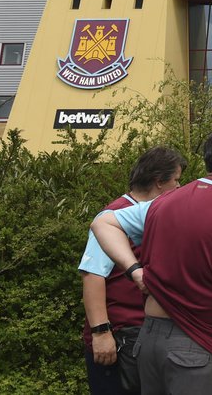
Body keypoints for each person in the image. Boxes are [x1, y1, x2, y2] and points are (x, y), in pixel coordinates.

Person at [89, 125, 212, 395]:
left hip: (149, 342)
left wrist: (135, 271)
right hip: (201, 348)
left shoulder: (164, 202)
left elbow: (103, 222)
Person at [79, 146, 185, 395]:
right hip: (117, 339)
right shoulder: (114, 217)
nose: (180, 187)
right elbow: (93, 275)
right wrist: (101, 333)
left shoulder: (148, 215)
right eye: (176, 180)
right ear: (159, 182)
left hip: (138, 337)